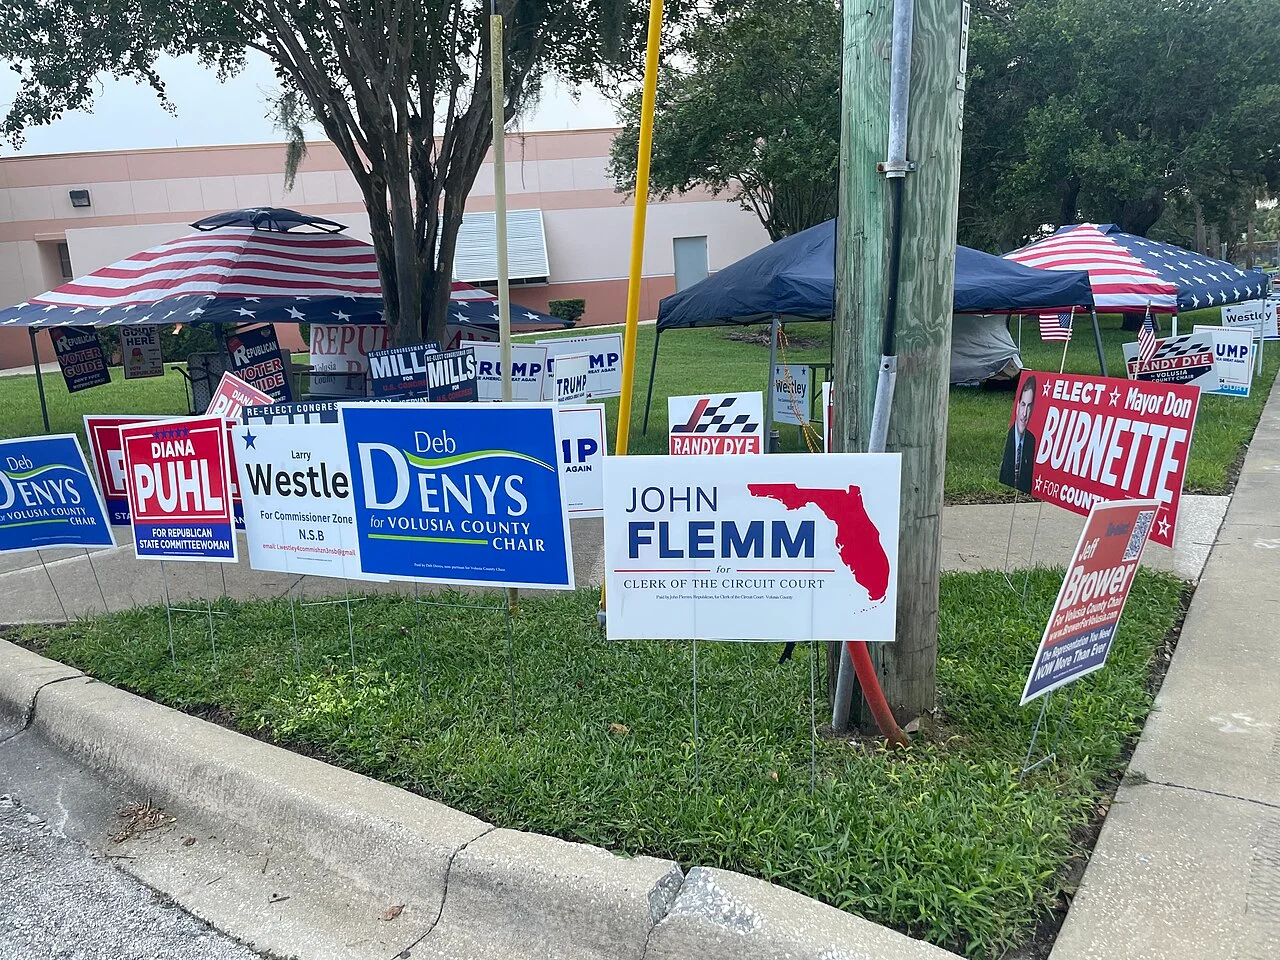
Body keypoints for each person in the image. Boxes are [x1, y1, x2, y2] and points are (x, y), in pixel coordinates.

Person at [1000, 376, 1037, 494]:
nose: (1024, 414)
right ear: (1017, 407)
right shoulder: (1010, 437)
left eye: (1029, 406)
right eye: (1023, 405)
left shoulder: (1031, 441)